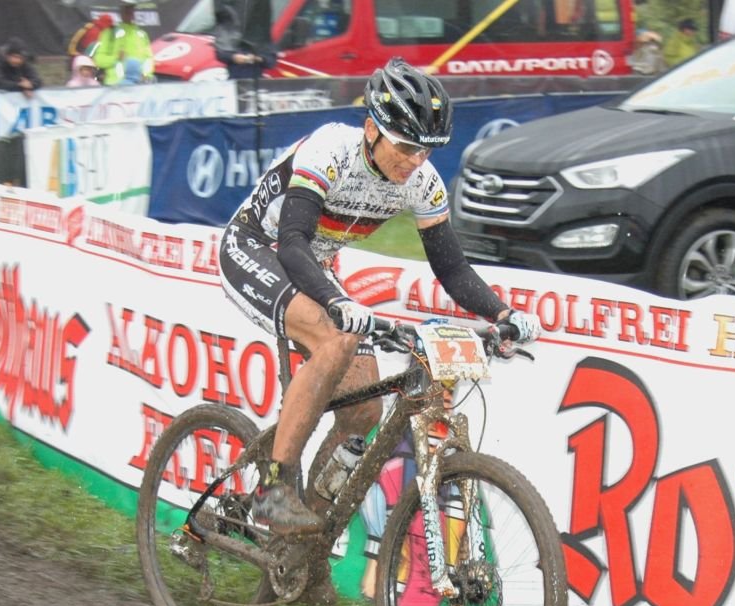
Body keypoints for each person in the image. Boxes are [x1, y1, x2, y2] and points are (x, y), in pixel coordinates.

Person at [219, 57, 540, 542]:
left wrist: (502, 313)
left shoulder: (422, 183)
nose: (414, 161)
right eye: (406, 146)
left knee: (363, 413)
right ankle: (273, 490)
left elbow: (452, 268)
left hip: (315, 266)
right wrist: (336, 302)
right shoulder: (330, 150)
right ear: (371, 129)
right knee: (336, 339)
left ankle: (298, 548)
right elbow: (292, 242)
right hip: (258, 248)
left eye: (427, 150)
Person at [90, 1, 155, 85]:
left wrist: (146, 75)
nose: (128, 12)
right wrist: (116, 58)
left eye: (130, 8)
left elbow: (149, 59)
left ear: (134, 11)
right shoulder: (109, 33)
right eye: (125, 8)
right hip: (115, 86)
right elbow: (99, 60)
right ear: (120, 11)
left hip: (139, 85)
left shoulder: (142, 34)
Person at [212, 4, 270, 81]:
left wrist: (257, 59)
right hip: (234, 79)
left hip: (256, 80)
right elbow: (220, 53)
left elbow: (271, 60)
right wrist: (234, 57)